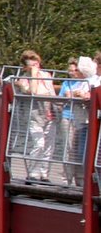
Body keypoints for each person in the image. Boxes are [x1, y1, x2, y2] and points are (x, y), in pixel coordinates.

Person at [15, 50, 56, 183]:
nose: (36, 66)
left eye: (37, 63)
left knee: (49, 146)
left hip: (49, 114)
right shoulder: (23, 79)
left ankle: (44, 175)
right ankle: (32, 173)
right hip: (34, 116)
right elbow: (33, 92)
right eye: (32, 65)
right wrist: (33, 74)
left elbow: (51, 93)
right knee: (39, 143)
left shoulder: (46, 75)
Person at [59, 58, 94, 187]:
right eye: (71, 71)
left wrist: (76, 94)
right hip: (70, 118)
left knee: (81, 151)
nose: (73, 73)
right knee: (70, 149)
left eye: (76, 70)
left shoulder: (87, 81)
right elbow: (66, 95)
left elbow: (84, 95)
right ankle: (67, 179)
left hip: (82, 120)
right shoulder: (67, 83)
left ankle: (82, 180)